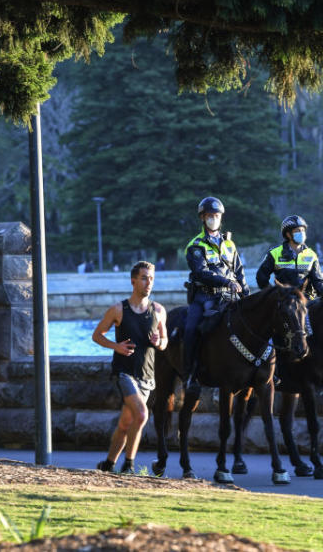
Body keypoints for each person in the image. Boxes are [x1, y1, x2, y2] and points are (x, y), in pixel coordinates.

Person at [92, 261, 167, 474]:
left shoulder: (159, 311)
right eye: (144, 278)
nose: (148, 283)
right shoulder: (118, 309)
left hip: (147, 376)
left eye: (151, 278)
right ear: (133, 281)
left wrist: (157, 342)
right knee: (141, 415)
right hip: (124, 373)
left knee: (126, 423)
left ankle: (108, 463)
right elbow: (97, 335)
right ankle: (129, 465)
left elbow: (165, 341)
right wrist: (116, 346)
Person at [182, 196, 249, 392]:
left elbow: (239, 271)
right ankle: (190, 376)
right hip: (204, 296)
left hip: (229, 296)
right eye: (209, 216)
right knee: (190, 330)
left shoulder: (229, 244)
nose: (213, 219)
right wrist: (226, 281)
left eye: (216, 215)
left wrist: (246, 293)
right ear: (203, 218)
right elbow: (201, 272)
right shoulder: (195, 245)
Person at [256, 215, 323, 300]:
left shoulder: (311, 255)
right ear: (288, 234)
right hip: (283, 301)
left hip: (305, 302)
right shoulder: (274, 253)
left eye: (303, 230)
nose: (301, 233)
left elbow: (318, 282)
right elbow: (261, 277)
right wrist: (273, 293)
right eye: (298, 231)